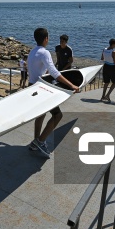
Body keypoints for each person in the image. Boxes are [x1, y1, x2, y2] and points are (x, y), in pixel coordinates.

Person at [27, 28, 80, 159]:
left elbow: (36, 70)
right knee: (57, 115)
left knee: (41, 114)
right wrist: (72, 85)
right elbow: (54, 72)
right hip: (41, 88)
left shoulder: (32, 51)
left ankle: (36, 142)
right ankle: (40, 141)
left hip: (31, 86)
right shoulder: (45, 53)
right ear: (46, 39)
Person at [100, 38, 115, 103]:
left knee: (106, 82)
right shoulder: (114, 52)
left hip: (105, 66)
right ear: (114, 44)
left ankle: (103, 96)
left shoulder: (104, 49)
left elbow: (102, 58)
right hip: (111, 67)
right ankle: (107, 95)